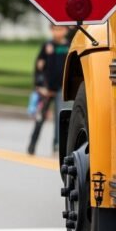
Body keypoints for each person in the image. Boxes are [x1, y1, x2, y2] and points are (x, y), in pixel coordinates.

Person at [27, 24, 73, 155]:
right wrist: (40, 85)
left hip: (62, 89)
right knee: (40, 117)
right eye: (55, 29)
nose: (57, 32)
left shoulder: (68, 47)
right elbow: (39, 67)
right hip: (46, 89)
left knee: (61, 117)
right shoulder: (47, 46)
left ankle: (57, 145)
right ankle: (32, 144)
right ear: (51, 30)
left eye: (60, 29)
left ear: (66, 30)